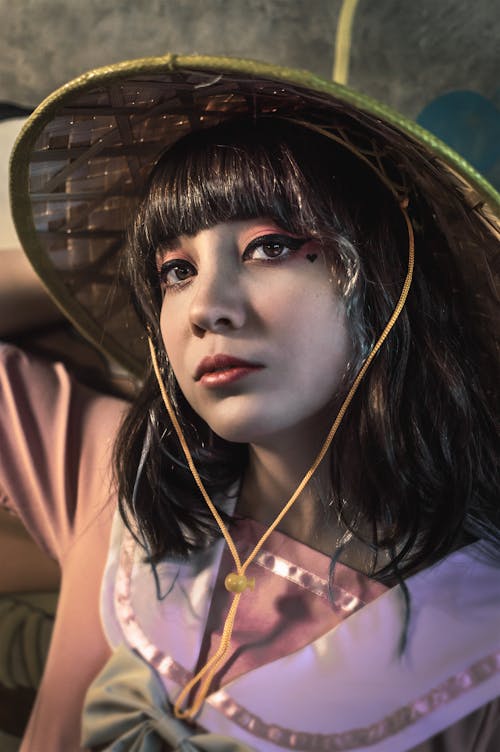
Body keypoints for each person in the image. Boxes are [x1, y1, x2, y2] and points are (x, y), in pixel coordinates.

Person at [3, 55, 499, 751]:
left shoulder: (477, 650)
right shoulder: (116, 484)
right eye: (176, 271)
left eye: (271, 246)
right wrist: (91, 252)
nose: (207, 307)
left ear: (385, 278)